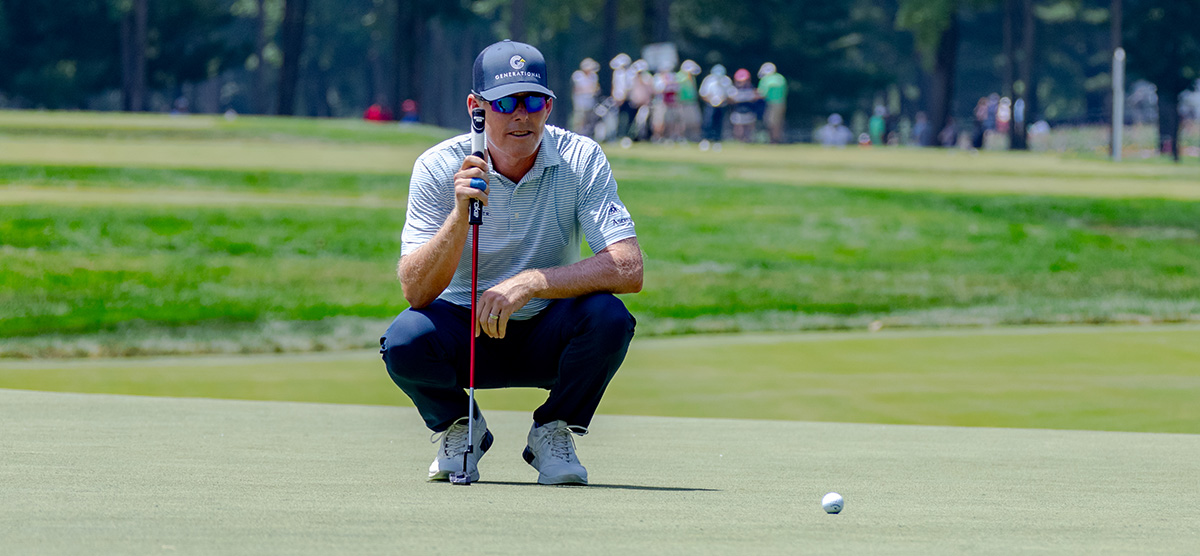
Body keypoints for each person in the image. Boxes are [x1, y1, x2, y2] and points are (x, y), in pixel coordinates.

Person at [379, 40, 643, 486]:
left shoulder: (581, 158)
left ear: (548, 106)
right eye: (505, 102)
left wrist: (533, 281)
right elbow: (416, 291)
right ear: (476, 108)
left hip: (547, 334)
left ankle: (552, 429)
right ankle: (460, 427)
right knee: (404, 339)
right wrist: (460, 214)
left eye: (534, 100)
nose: (522, 114)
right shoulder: (438, 166)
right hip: (466, 335)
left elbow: (628, 267)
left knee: (609, 317)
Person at [699, 64, 733, 144]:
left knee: (719, 123)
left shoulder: (726, 80)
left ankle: (717, 140)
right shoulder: (708, 80)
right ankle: (706, 139)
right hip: (710, 105)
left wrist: (722, 100)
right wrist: (711, 101)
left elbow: (729, 94)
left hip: (722, 105)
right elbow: (703, 94)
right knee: (708, 122)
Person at [756, 63, 788, 143]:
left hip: (771, 104)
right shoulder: (780, 78)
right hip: (781, 103)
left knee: (771, 123)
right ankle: (777, 139)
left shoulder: (765, 80)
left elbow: (762, 93)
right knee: (778, 123)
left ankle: (773, 140)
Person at [571, 58, 601, 137]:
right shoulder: (578, 75)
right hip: (580, 100)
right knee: (580, 118)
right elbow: (578, 89)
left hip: (590, 100)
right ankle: (578, 133)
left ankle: (587, 133)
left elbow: (595, 88)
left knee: (589, 118)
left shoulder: (593, 76)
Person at [728, 68, 758, 142]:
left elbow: (755, 98)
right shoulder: (733, 89)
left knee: (749, 130)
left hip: (749, 111)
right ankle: (739, 142)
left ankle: (748, 141)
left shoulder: (751, 88)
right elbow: (730, 100)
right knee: (739, 130)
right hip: (738, 111)